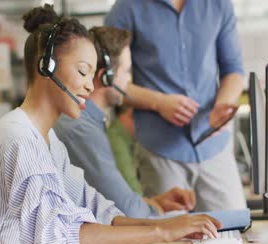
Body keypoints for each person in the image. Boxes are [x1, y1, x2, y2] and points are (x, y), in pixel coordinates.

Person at [0, 5, 221, 244]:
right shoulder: (18, 139)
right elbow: (62, 238)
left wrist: (174, 225)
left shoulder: (48, 141)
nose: (90, 85)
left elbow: (97, 209)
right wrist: (162, 231)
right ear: (47, 66)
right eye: (82, 71)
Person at [105, 0, 247, 211]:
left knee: (235, 233)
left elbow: (234, 70)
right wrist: (158, 102)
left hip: (214, 147)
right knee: (170, 238)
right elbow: (108, 81)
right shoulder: (126, 8)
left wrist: (222, 106)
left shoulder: (218, 4)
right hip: (160, 151)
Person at [55, 26, 195, 218]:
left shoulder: (90, 123)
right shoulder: (81, 128)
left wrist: (154, 202)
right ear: (106, 76)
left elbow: (113, 199)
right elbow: (126, 210)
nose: (129, 81)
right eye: (127, 71)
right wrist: (157, 210)